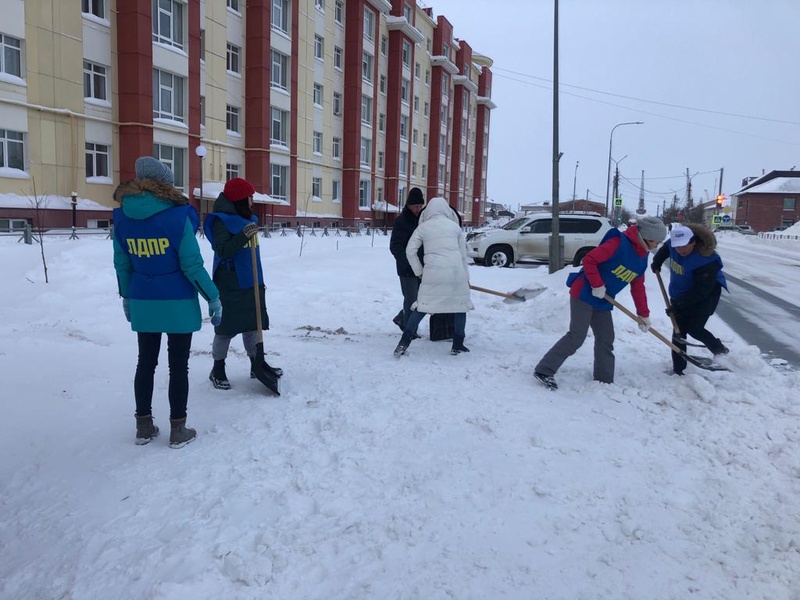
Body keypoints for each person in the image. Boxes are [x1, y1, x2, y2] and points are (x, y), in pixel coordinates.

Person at [113, 156, 221, 448]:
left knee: (145, 363)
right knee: (178, 367)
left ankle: (144, 426)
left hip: (143, 300)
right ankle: (178, 429)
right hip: (177, 302)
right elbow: (192, 266)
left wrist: (127, 296)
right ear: (165, 186)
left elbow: (122, 263)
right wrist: (213, 297)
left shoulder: (123, 216)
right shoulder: (177, 216)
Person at [533, 216, 667, 390]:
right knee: (577, 336)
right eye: (656, 242)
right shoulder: (618, 243)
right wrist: (597, 284)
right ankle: (544, 370)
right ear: (647, 238)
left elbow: (637, 286)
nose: (657, 246)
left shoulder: (642, 257)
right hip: (584, 292)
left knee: (606, 338)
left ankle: (604, 380)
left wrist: (643, 314)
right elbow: (589, 260)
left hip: (603, 298)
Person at [203, 177, 282, 390]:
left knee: (252, 324)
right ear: (240, 199)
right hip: (230, 283)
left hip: (251, 280)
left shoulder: (246, 219)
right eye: (249, 197)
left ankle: (256, 363)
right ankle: (217, 369)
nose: (252, 201)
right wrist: (242, 236)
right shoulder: (221, 220)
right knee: (226, 329)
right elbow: (223, 250)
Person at [393, 197, 473, 357]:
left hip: (432, 274)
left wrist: (420, 272)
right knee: (460, 307)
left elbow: (410, 251)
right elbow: (464, 256)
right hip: (456, 274)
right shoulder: (455, 228)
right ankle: (458, 345)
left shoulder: (422, 228)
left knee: (422, 307)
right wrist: (466, 278)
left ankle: (404, 342)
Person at [651, 224, 729, 375]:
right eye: (677, 247)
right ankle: (679, 370)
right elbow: (666, 248)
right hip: (680, 293)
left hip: (705, 296)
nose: (680, 250)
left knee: (695, 328)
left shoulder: (706, 259)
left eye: (684, 246)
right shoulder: (674, 245)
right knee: (678, 333)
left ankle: (720, 351)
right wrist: (657, 262)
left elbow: (701, 291)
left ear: (694, 241)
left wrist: (678, 305)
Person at [389, 187, 426, 335]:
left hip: (421, 267)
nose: (418, 209)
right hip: (406, 269)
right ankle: (410, 331)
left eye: (420, 206)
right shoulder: (401, 221)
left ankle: (401, 318)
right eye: (416, 206)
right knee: (411, 300)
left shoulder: (423, 220)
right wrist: (407, 263)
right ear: (409, 204)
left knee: (421, 299)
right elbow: (395, 246)